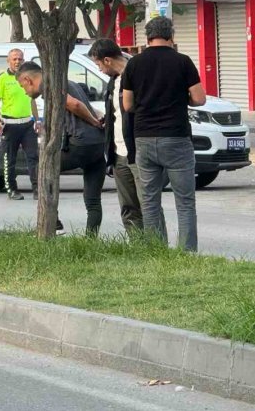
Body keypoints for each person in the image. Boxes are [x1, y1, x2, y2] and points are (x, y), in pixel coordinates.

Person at [122, 16, 206, 252]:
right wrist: (182, 98)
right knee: (185, 201)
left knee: (149, 200)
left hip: (144, 138)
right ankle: (187, 251)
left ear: (147, 37)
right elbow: (199, 98)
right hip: (176, 137)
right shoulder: (183, 62)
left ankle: (156, 250)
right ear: (171, 35)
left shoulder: (134, 64)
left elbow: (127, 105)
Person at [16, 62, 105, 235]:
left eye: (22, 86)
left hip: (80, 143)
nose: (24, 91)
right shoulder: (66, 81)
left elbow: (75, 105)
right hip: (97, 144)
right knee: (93, 199)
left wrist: (93, 121)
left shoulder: (50, 85)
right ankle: (91, 239)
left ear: (28, 79)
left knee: (41, 169)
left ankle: (53, 224)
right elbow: (85, 104)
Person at [88, 38, 144, 233]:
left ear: (107, 60)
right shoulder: (113, 83)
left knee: (147, 204)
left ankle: (155, 247)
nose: (99, 70)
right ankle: (137, 246)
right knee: (128, 206)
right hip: (119, 153)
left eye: (98, 64)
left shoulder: (137, 75)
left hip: (138, 151)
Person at [0, 49, 39, 201]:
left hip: (27, 124)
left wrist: (37, 120)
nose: (17, 61)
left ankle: (37, 188)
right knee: (9, 159)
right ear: (8, 61)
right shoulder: (2, 78)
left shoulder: (27, 77)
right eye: (14, 59)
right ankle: (12, 189)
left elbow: (32, 99)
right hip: (9, 125)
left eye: (20, 59)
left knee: (33, 157)